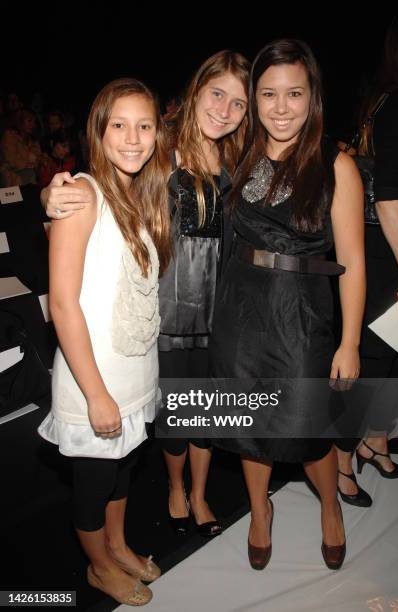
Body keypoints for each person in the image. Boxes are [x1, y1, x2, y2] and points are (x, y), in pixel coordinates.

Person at [40, 50, 250, 537]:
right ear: (195, 92)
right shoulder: (158, 146)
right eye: (216, 94)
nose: (224, 109)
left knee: (208, 410)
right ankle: (176, 490)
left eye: (239, 103)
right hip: (163, 307)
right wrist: (51, 201)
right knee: (175, 412)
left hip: (220, 310)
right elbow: (99, 198)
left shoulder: (241, 159)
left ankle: (199, 494)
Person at [209, 39, 366, 571]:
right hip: (239, 308)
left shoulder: (335, 163)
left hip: (302, 314)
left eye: (293, 93)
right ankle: (259, 512)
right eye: (268, 93)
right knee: (250, 428)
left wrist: (349, 343)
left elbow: (353, 261)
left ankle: (329, 506)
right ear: (253, 99)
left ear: (312, 96)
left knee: (305, 427)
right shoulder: (239, 151)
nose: (280, 107)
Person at [38, 77, 172, 606]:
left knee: (122, 472)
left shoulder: (137, 195)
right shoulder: (84, 195)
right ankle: (97, 567)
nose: (133, 138)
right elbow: (63, 305)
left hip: (133, 373)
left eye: (144, 126)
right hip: (94, 377)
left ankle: (116, 547)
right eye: (120, 125)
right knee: (94, 486)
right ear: (99, 131)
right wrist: (96, 394)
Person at [337, 15, 398, 479]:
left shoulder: (385, 101)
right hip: (391, 252)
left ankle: (375, 440)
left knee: (397, 357)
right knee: (376, 359)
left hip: (393, 250)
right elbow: (391, 200)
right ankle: (342, 459)